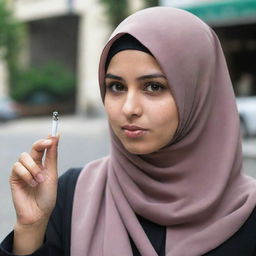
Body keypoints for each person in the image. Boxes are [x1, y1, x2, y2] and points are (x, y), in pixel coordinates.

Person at [1, 6, 256, 256]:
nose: (129, 108)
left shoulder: (247, 212)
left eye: (153, 87)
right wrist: (31, 227)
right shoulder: (73, 195)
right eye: (116, 87)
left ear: (199, 94)